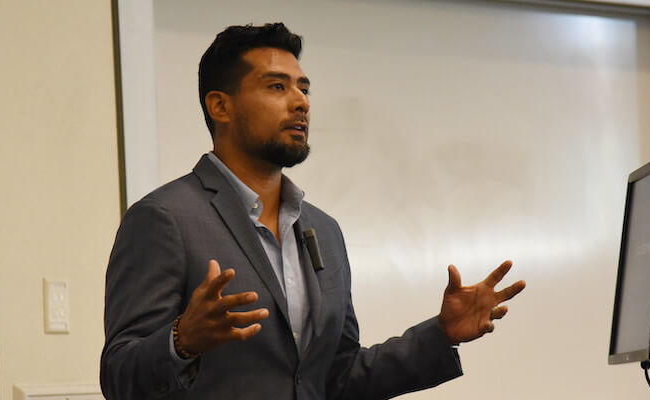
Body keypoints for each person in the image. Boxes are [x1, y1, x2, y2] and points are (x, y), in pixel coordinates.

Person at [99, 22, 526, 400]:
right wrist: (181, 341)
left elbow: (336, 378)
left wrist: (440, 335)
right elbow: (118, 378)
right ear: (220, 106)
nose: (301, 102)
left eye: (304, 88)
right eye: (276, 86)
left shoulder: (323, 229)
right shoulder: (164, 219)